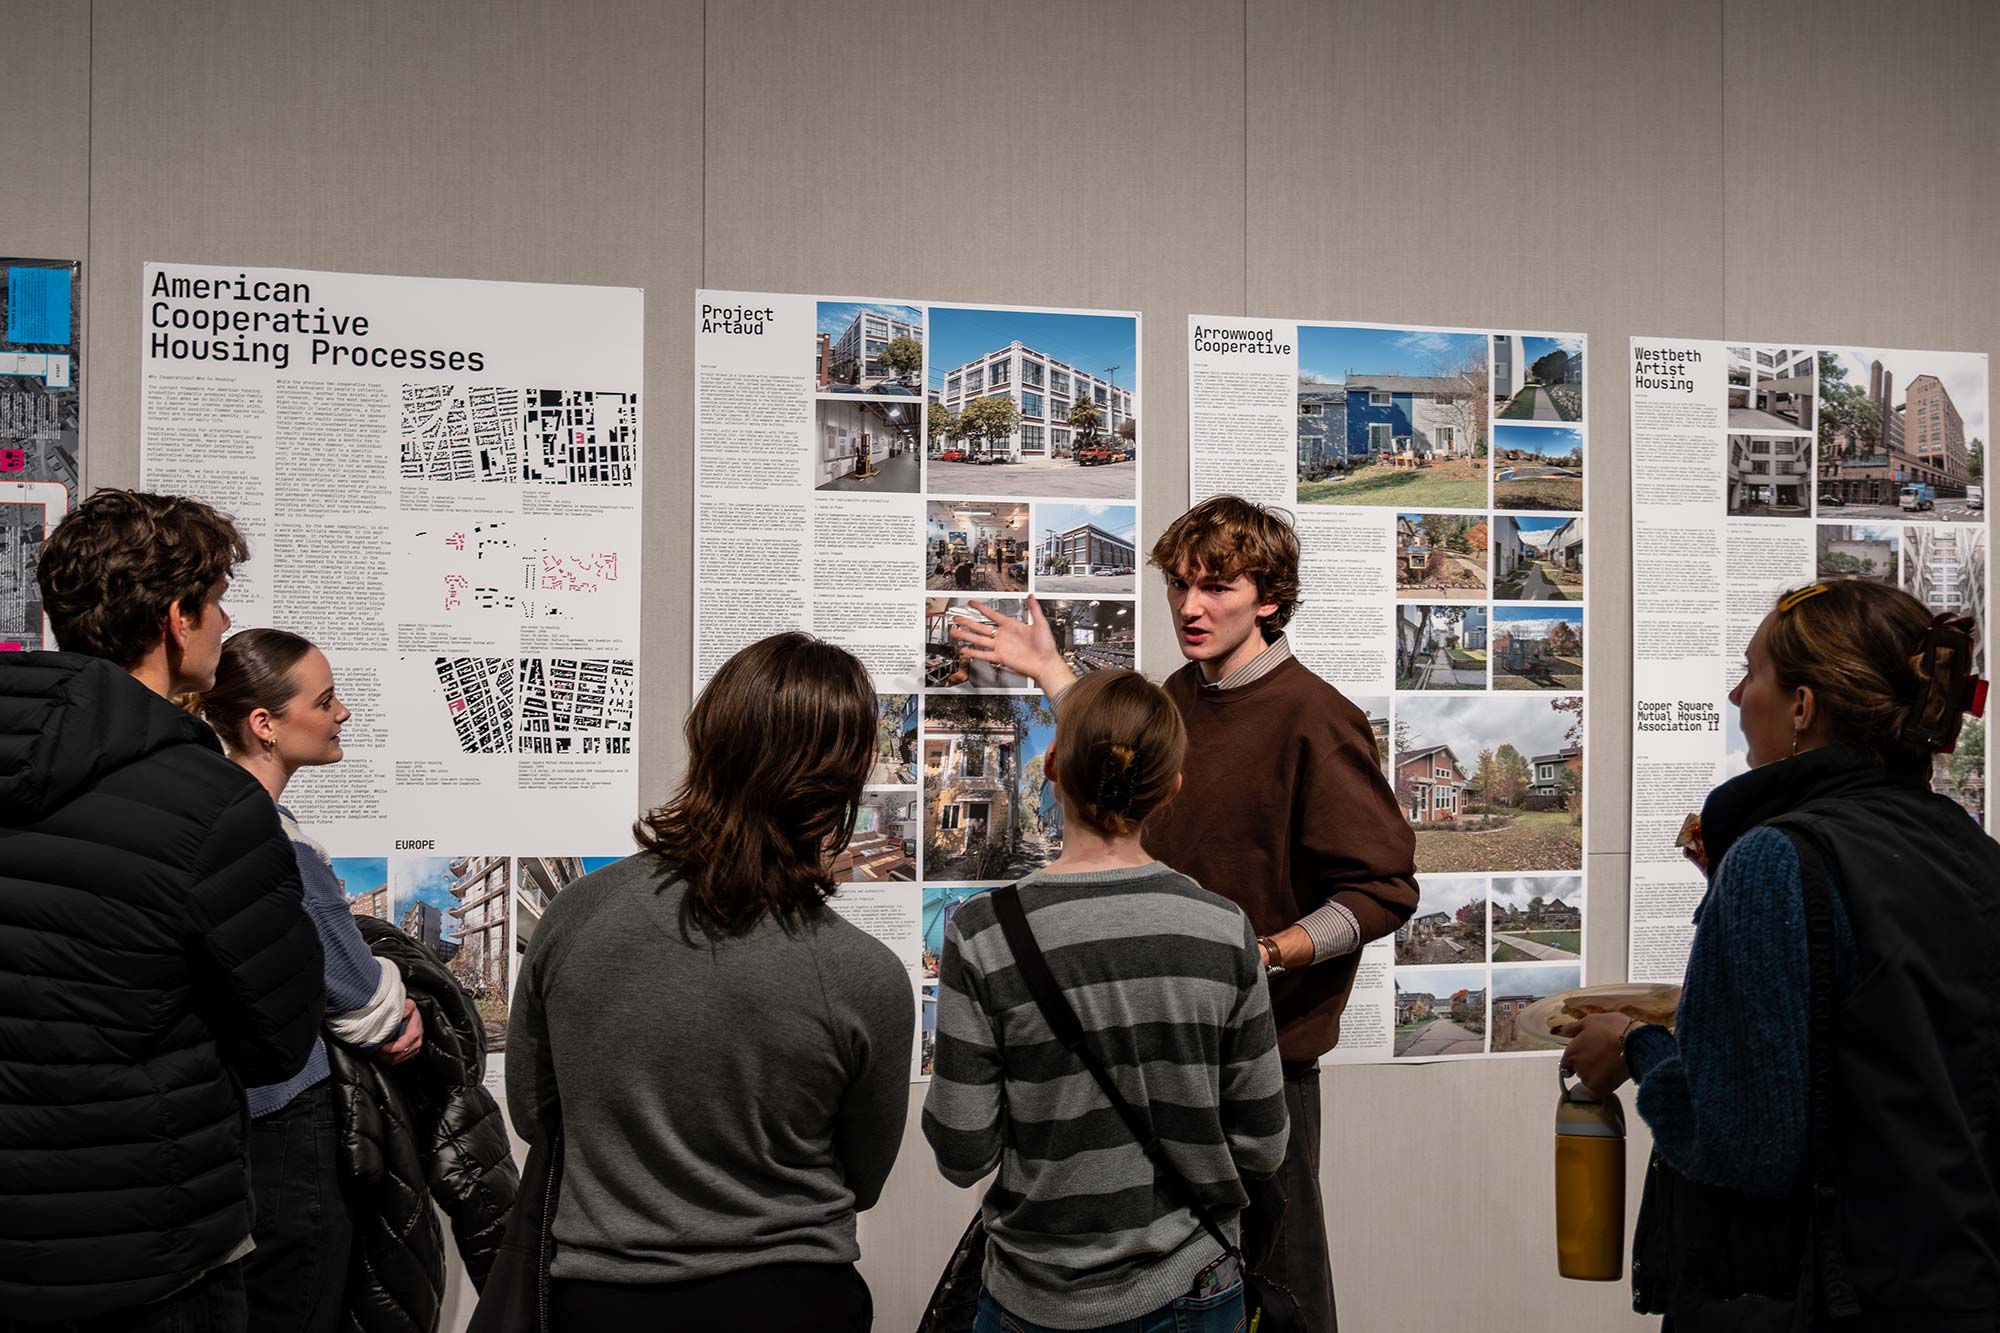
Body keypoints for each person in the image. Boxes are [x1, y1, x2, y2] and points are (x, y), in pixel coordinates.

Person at [952, 495, 1419, 1329]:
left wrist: (1267, 954)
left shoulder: (1316, 718)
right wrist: (1056, 675)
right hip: (1158, 1053)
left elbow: (1382, 891)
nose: (1190, 607)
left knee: (1278, 1287)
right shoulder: (1179, 695)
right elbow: (1118, 760)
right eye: (1179, 584)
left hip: (1262, 1065)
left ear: (1269, 597)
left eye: (1217, 586)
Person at [1559, 580, 2000, 1329]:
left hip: (1814, 1294)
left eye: (1752, 670)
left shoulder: (1776, 857)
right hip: (1954, 1280)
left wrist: (1637, 1047)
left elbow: (1745, 1146)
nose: (1735, 693)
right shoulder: (1968, 849)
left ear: (1803, 707)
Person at [507, 632, 913, 1332]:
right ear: (840, 783)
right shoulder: (864, 973)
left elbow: (533, 1113)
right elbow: (864, 1177)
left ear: (709, 740)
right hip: (794, 1300)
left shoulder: (576, 915)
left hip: (603, 1299)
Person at [0, 490, 324, 1330]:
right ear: (178, 618)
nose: (225, 622)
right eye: (217, 601)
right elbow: (277, 1037)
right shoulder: (211, 802)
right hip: (148, 1253)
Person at [924, 668, 1288, 1332]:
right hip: (1191, 1287)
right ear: (1172, 786)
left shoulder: (981, 932)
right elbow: (1262, 1147)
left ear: (1054, 766)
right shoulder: (1224, 930)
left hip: (1030, 1297)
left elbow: (962, 1150)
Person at [195, 628, 426, 1332]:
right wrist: (395, 989)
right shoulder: (277, 840)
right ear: (264, 724)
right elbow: (368, 1006)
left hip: (228, 1127)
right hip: (285, 1125)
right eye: (326, 700)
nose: (343, 713)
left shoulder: (201, 814)